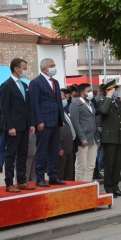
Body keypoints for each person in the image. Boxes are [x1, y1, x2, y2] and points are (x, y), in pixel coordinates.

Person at [0, 58, 36, 192]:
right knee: (11, 154)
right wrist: (10, 126)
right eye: (24, 67)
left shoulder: (24, 85)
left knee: (23, 154)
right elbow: (5, 108)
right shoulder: (6, 85)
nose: (25, 70)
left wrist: (31, 123)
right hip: (13, 126)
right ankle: (9, 183)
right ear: (16, 68)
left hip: (25, 125)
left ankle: (22, 181)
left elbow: (28, 106)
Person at [29, 58, 67, 187]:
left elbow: (58, 103)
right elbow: (34, 103)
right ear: (44, 68)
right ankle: (40, 177)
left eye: (54, 65)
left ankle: (53, 176)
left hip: (55, 121)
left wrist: (61, 119)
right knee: (42, 150)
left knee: (54, 149)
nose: (54, 67)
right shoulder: (36, 82)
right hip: (44, 122)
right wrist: (38, 121)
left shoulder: (55, 82)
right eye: (51, 65)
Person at [98, 79, 121, 198]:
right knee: (109, 164)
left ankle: (115, 187)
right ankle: (109, 188)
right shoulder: (103, 101)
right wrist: (109, 97)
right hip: (109, 138)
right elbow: (104, 111)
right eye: (112, 89)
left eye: (115, 89)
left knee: (117, 164)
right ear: (107, 91)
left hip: (119, 137)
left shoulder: (117, 102)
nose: (115, 91)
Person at [69, 84, 99, 182]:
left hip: (93, 138)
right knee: (81, 166)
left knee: (90, 166)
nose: (91, 93)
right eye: (89, 91)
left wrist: (97, 138)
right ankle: (79, 189)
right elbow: (75, 123)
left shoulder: (91, 103)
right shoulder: (75, 104)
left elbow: (94, 121)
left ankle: (88, 187)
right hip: (83, 139)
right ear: (82, 93)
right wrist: (82, 138)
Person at [58, 90, 77, 180]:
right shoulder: (55, 113)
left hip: (70, 146)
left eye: (65, 98)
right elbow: (54, 132)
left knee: (69, 173)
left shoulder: (65, 110)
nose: (64, 100)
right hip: (62, 147)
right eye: (62, 99)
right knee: (61, 173)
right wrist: (59, 147)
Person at [93, 84, 106, 180]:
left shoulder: (96, 98)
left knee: (101, 148)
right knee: (100, 148)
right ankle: (100, 166)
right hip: (100, 125)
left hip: (100, 125)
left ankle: (100, 166)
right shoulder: (100, 99)